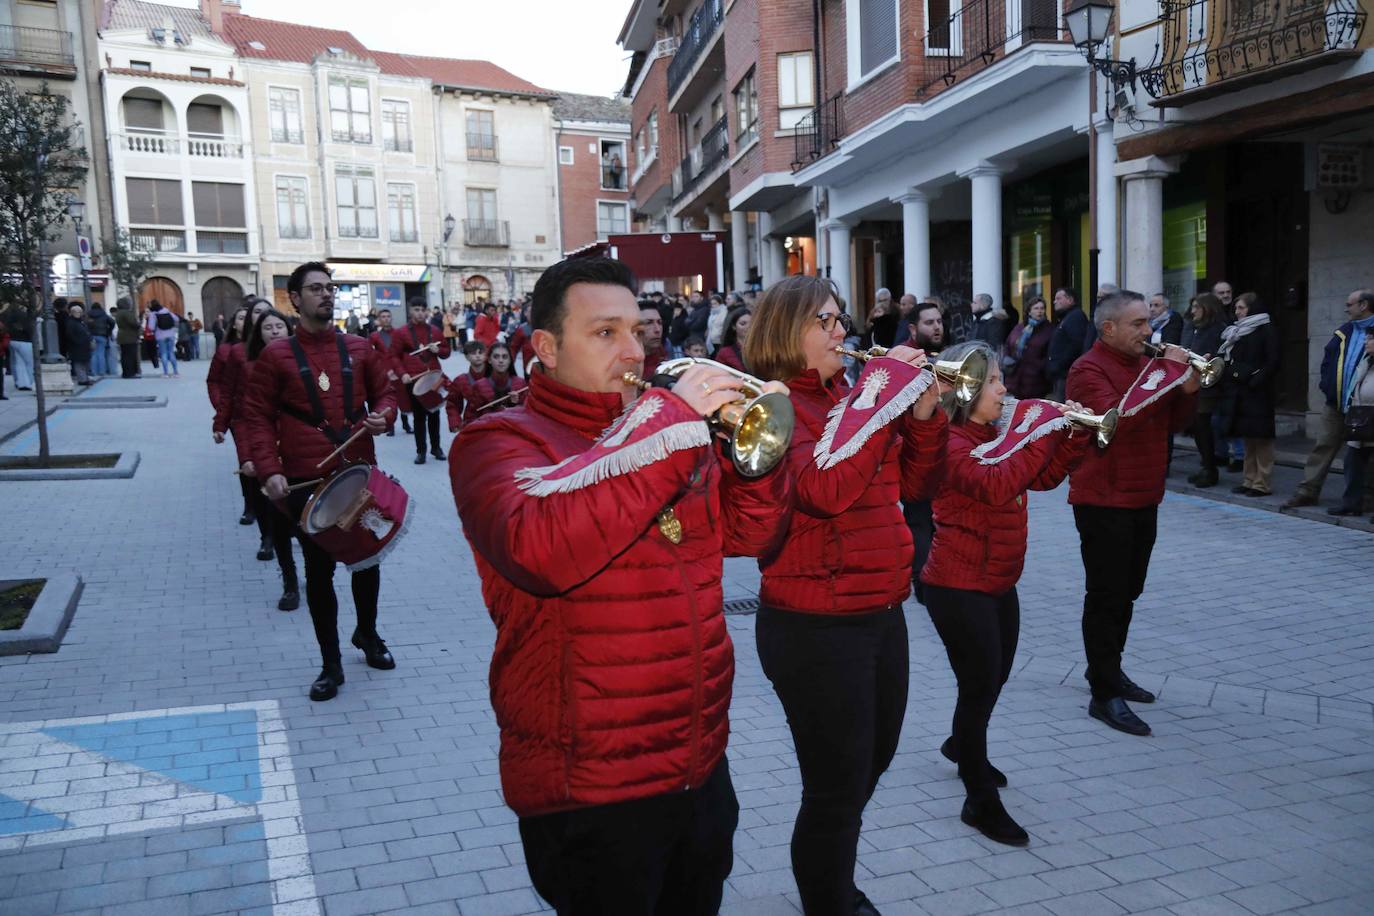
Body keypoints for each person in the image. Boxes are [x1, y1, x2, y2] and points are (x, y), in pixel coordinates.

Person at [450, 256, 790, 915]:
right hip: (591, 783)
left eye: (637, 330)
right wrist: (668, 425)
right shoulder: (495, 441)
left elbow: (749, 538)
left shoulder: (669, 431)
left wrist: (754, 459)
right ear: (545, 348)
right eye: (605, 333)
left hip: (697, 760)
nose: (633, 350)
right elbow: (540, 549)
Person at [743, 275, 945, 915]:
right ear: (785, 331)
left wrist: (923, 415)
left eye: (841, 320)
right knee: (835, 784)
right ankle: (829, 898)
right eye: (825, 322)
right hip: (813, 625)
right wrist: (880, 401)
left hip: (882, 611)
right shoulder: (771, 406)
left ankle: (830, 876)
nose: (842, 333)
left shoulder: (850, 396)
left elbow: (915, 485)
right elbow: (822, 490)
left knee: (870, 763)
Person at [921, 341, 1090, 847]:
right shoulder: (948, 443)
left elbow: (1041, 478)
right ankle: (979, 801)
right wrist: (1038, 426)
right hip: (956, 585)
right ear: (967, 388)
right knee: (978, 689)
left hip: (999, 581)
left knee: (992, 679)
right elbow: (997, 483)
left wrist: (1073, 435)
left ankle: (961, 745)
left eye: (1002, 380)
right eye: (994, 381)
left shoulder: (996, 433)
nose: (1005, 390)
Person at [238, 262, 398, 701]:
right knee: (319, 572)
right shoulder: (275, 356)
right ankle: (330, 663)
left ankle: (367, 634)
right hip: (305, 481)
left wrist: (385, 415)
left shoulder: (361, 347)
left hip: (356, 472)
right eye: (315, 289)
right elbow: (256, 417)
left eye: (330, 288)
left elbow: (386, 392)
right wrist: (269, 469)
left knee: (367, 562)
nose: (326, 295)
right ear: (295, 298)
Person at [1067, 290, 1199, 737]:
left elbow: (1172, 423)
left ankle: (1108, 668)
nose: (1149, 331)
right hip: (1104, 500)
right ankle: (1104, 693)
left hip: (1144, 496)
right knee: (1106, 595)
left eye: (1148, 322)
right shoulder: (1087, 369)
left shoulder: (1147, 367)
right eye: (1139, 323)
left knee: (1129, 592)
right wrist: (1167, 373)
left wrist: (1187, 389)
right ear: (1109, 329)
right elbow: (1118, 422)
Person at [1285, 289, 1374, 509]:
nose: (1346, 308)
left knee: (1365, 453)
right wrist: (1328, 388)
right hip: (1336, 403)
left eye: (1350, 304)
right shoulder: (1344, 331)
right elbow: (1327, 362)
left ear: (1363, 305)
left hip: (1366, 406)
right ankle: (1308, 491)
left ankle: (1366, 497)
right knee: (1324, 445)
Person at [238, 307, 301, 610]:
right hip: (267, 452)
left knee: (305, 521)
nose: (275, 331)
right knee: (278, 520)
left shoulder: (302, 362)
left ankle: (313, 573)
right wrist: (250, 456)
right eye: (268, 327)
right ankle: (289, 582)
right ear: (257, 333)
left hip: (300, 450)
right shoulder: (249, 366)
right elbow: (248, 417)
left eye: (280, 326)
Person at [1218, 293, 1281, 497]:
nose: (1237, 312)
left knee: (1261, 438)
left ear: (1253, 309)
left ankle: (1262, 483)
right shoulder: (1236, 332)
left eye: (1242, 308)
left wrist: (1254, 380)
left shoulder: (1266, 330)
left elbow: (1272, 362)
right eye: (1236, 308)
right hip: (1240, 391)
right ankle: (1248, 480)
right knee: (1248, 438)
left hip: (1258, 392)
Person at [391, 297, 451, 464]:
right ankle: (421, 451)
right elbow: (393, 356)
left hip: (433, 377)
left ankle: (436, 447)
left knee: (435, 413)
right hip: (413, 380)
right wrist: (402, 373)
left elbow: (447, 352)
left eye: (422, 309)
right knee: (418, 417)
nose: (419, 313)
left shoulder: (435, 330)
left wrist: (438, 349)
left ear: (427, 311)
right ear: (410, 311)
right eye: (416, 309)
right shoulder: (401, 332)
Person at [209, 306, 255, 525]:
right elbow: (215, 382)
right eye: (241, 318)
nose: (245, 321)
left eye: (250, 317)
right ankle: (250, 505)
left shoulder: (269, 348)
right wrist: (222, 410)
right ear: (233, 323)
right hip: (239, 415)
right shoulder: (226, 351)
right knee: (246, 461)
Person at [1182, 293, 1227, 488]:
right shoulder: (1192, 327)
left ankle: (1210, 469)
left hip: (1208, 386)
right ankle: (1206, 466)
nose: (1193, 311)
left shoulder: (1218, 329)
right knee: (1198, 428)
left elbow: (1221, 357)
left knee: (1203, 426)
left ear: (1207, 308)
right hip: (1192, 381)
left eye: (1196, 307)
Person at [1332, 334, 1374, 520]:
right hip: (1362, 419)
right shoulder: (1367, 361)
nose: (1365, 343)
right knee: (1353, 462)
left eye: (1370, 339)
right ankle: (1351, 504)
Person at [1003, 297, 1053, 399]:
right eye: (1036, 308)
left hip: (1036, 381)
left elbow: (1051, 354)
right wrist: (1006, 359)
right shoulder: (1019, 328)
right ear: (1029, 311)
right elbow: (1008, 344)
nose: (1039, 311)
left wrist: (1040, 366)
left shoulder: (1049, 330)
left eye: (1042, 308)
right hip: (1014, 379)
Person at [1047, 287, 1089, 401]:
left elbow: (1076, 344)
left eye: (1058, 298)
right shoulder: (1067, 317)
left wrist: (1059, 365)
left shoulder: (1075, 317)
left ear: (1070, 300)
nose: (1055, 301)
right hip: (1062, 374)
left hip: (1066, 374)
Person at [367, 309, 403, 436]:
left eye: (388, 316)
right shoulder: (374, 336)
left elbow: (402, 354)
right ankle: (390, 425)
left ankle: (405, 423)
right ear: (379, 319)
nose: (386, 318)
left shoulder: (399, 333)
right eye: (383, 316)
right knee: (389, 399)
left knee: (402, 397)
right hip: (383, 372)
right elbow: (371, 356)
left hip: (398, 371)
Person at [468, 342, 527, 415]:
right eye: (496, 357)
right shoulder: (479, 386)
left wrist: (515, 404)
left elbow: (528, 415)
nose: (501, 361)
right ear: (489, 360)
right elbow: (470, 417)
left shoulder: (521, 384)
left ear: (510, 360)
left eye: (505, 357)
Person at [445, 340, 490, 432]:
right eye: (473, 353)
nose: (477, 356)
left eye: (480, 352)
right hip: (472, 421)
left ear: (485, 355)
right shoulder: (461, 380)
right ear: (466, 357)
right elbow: (452, 403)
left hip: (496, 420)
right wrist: (455, 421)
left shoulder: (496, 376)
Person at [0, 300, 35, 390]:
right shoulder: (24, 315)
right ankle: (31, 382)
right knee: (29, 363)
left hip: (11, 340)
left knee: (17, 363)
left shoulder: (4, 315)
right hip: (25, 341)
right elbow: (29, 329)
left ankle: (20, 383)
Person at [146, 300, 179, 377]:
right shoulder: (166, 311)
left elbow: (151, 327)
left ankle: (166, 373)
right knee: (171, 352)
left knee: (163, 353)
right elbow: (176, 319)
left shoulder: (153, 314)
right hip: (171, 334)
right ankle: (176, 372)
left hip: (160, 335)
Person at [713, 306, 751, 372]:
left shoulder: (762, 350)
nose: (748, 327)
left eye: (752, 323)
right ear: (734, 327)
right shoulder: (725, 353)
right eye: (743, 324)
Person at [64, 303, 93, 385]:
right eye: (76, 312)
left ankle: (85, 378)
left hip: (84, 346)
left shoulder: (81, 322)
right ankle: (82, 380)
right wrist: (78, 342)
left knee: (85, 363)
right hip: (77, 346)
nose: (78, 314)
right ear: (72, 312)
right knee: (79, 363)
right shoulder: (71, 322)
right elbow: (70, 335)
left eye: (80, 312)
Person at [638, 301, 669, 377]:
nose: (657, 329)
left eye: (659, 322)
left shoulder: (663, 358)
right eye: (649, 323)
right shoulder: (625, 365)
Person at [114, 298, 142, 379]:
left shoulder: (118, 313)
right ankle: (130, 373)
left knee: (125, 355)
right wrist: (139, 324)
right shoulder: (127, 313)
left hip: (122, 336)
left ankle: (126, 372)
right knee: (130, 355)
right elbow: (133, 323)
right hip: (129, 336)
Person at [87, 303, 115, 378]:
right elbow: (112, 322)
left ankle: (94, 371)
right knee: (101, 354)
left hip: (92, 336)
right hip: (102, 336)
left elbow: (86, 325)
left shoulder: (88, 315)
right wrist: (108, 331)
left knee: (93, 354)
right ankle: (101, 371)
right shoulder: (104, 315)